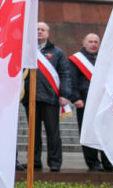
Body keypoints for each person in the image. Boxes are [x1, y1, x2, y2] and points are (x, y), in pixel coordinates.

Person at [23, 22, 69, 172]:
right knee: (33, 133)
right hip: (30, 99)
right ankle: (34, 161)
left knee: (52, 132)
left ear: (48, 34)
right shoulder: (25, 51)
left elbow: (65, 74)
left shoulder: (57, 53)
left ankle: (55, 162)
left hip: (51, 99)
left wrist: (64, 94)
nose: (39, 32)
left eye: (42, 30)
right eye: (36, 29)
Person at [68, 33, 112, 171]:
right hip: (85, 102)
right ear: (84, 43)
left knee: (106, 132)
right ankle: (92, 162)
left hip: (104, 102)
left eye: (96, 42)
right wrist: (75, 98)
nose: (93, 44)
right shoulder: (76, 60)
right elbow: (72, 80)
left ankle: (108, 161)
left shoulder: (105, 59)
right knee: (88, 131)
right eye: (91, 41)